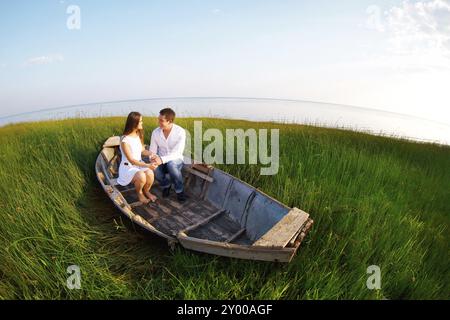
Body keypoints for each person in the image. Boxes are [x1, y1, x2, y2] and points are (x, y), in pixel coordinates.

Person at [117, 112, 158, 204]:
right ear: (134, 123)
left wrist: (152, 154)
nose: (142, 123)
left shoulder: (138, 135)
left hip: (139, 164)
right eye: (140, 121)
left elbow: (142, 151)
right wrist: (148, 164)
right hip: (128, 167)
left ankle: (146, 191)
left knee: (150, 173)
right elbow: (131, 160)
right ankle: (139, 193)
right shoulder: (125, 140)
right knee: (141, 176)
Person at [149, 107, 187, 202]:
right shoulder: (155, 132)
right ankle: (166, 185)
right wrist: (152, 158)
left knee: (171, 164)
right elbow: (152, 151)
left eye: (161, 120)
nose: (158, 122)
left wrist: (161, 159)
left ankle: (180, 191)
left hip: (176, 160)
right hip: (160, 159)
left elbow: (178, 152)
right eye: (158, 119)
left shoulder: (180, 132)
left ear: (169, 121)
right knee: (155, 168)